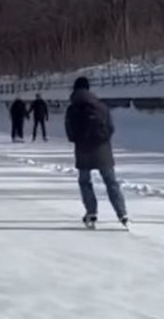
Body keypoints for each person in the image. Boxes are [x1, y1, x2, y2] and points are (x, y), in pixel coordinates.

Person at [65, 77, 128, 229]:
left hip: (83, 151)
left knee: (85, 182)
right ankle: (122, 213)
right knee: (111, 182)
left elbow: (70, 133)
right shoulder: (101, 106)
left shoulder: (72, 108)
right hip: (103, 150)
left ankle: (91, 212)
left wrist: (79, 140)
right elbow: (111, 127)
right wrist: (103, 140)